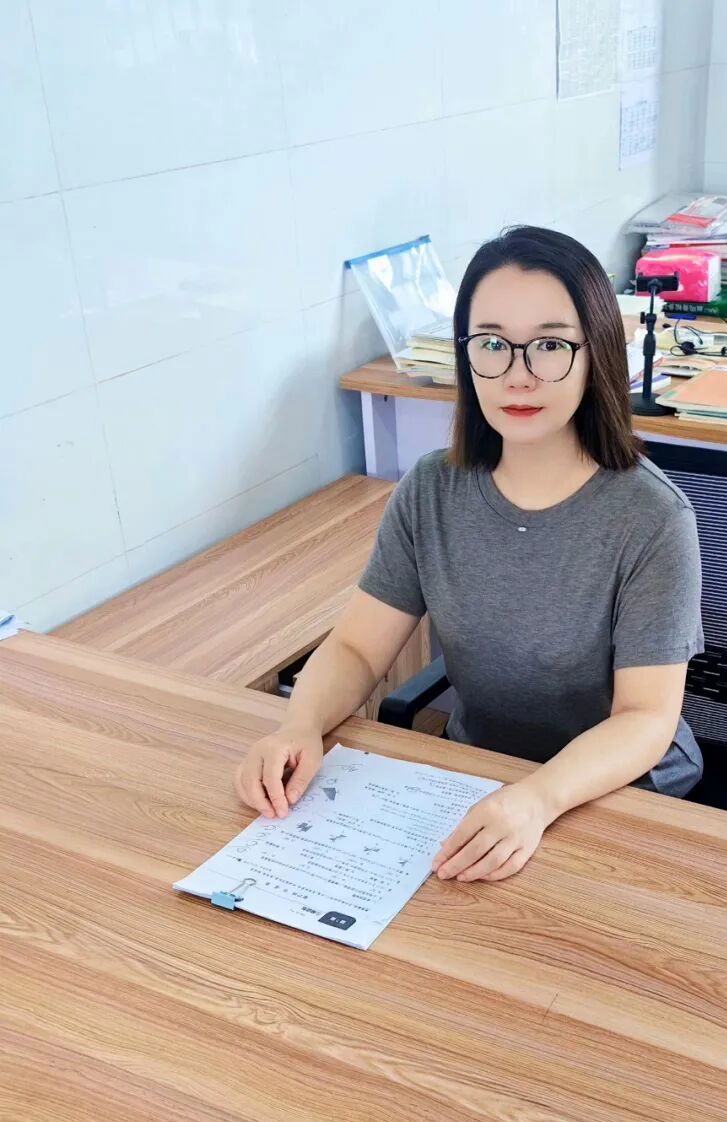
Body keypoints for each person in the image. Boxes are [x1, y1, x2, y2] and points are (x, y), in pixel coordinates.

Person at [235, 225, 703, 883]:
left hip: (614, 793)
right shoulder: (432, 490)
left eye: (549, 345)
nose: (517, 375)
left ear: (595, 352)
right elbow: (358, 648)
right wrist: (299, 725)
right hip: (478, 779)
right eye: (491, 344)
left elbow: (646, 717)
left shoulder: (652, 519)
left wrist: (538, 798)